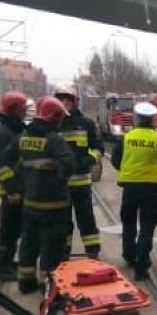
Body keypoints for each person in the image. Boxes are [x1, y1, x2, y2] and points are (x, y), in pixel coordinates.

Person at [0, 96, 75, 294]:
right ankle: (49, 288)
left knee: (29, 245)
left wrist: (13, 186)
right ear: (54, 117)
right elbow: (69, 164)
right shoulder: (54, 139)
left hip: (30, 205)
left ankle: (26, 283)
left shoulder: (22, 137)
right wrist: (58, 175)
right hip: (54, 207)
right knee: (52, 250)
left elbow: (3, 163)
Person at [110, 101, 157, 281]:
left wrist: (127, 170)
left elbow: (115, 159)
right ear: (152, 119)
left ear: (137, 118)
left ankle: (129, 255)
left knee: (128, 222)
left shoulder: (127, 137)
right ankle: (142, 266)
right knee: (147, 226)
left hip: (129, 187)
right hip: (149, 187)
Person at [55, 83, 104, 259]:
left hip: (82, 182)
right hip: (60, 184)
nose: (63, 103)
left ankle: (92, 252)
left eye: (67, 99)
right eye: (60, 99)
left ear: (74, 102)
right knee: (63, 221)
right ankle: (63, 253)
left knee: (86, 220)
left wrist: (87, 160)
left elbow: (98, 149)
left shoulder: (86, 124)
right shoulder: (54, 123)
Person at [0, 91, 28, 281]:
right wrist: (12, 190)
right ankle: (1, 268)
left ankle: (9, 262)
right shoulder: (1, 134)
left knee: (15, 229)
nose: (25, 112)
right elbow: (1, 166)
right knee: (8, 230)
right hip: (11, 191)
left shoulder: (16, 130)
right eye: (23, 109)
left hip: (20, 188)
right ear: (13, 109)